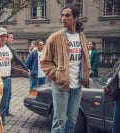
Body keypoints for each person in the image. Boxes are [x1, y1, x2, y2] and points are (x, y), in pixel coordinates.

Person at [40, 5, 91, 133]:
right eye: (62, 15)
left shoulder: (82, 36)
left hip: (77, 86)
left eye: (67, 15)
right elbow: (44, 61)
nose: (63, 18)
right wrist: (56, 74)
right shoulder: (55, 37)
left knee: (72, 121)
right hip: (61, 85)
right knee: (60, 120)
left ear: (75, 18)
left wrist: (87, 71)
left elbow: (85, 59)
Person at [0, 27, 27, 124]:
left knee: (3, 105)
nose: (3, 38)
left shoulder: (10, 49)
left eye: (5, 36)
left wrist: (25, 71)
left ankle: (1, 125)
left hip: (7, 80)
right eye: (1, 36)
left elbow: (16, 63)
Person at [104, 61, 120, 133]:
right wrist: (109, 86)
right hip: (119, 98)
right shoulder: (118, 63)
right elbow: (114, 79)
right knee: (116, 126)